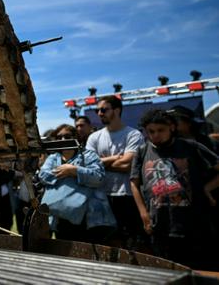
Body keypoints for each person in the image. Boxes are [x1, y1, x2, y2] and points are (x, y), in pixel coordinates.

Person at [131, 109, 219, 270]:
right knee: (168, 271)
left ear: (171, 127)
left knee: (200, 271)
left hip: (193, 225)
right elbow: (134, 184)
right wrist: (144, 214)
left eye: (160, 130)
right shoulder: (142, 152)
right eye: (151, 131)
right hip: (160, 225)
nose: (155, 135)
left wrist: (207, 188)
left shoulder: (191, 147)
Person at [39, 124, 116, 244]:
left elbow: (98, 177)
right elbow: (43, 175)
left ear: (76, 137)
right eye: (59, 137)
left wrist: (74, 170)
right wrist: (66, 171)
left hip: (87, 218)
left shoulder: (88, 155)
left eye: (67, 136)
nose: (63, 140)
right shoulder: (53, 157)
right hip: (59, 217)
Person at [86, 96, 145, 249]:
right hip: (101, 197)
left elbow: (127, 164)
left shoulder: (133, 135)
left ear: (117, 110)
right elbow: (88, 164)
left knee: (130, 243)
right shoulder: (94, 137)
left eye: (103, 109)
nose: (99, 113)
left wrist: (101, 163)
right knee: (106, 243)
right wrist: (115, 158)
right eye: (97, 110)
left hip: (126, 196)